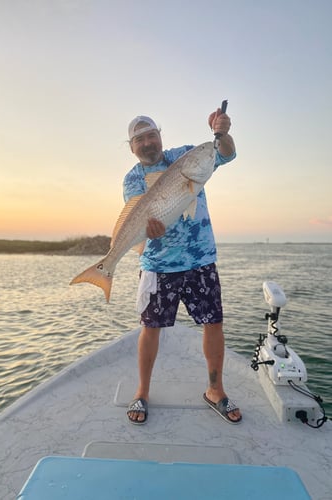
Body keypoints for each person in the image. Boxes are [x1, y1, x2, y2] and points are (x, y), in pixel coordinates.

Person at [124, 107, 242, 425]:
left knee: (213, 322)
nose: (147, 143)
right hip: (157, 265)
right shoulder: (133, 179)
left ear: (160, 137)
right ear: (131, 147)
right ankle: (142, 391)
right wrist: (150, 229)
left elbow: (225, 154)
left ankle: (215, 389)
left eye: (152, 136)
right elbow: (139, 216)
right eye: (140, 140)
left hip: (200, 258)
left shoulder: (186, 157)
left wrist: (222, 133)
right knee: (150, 329)